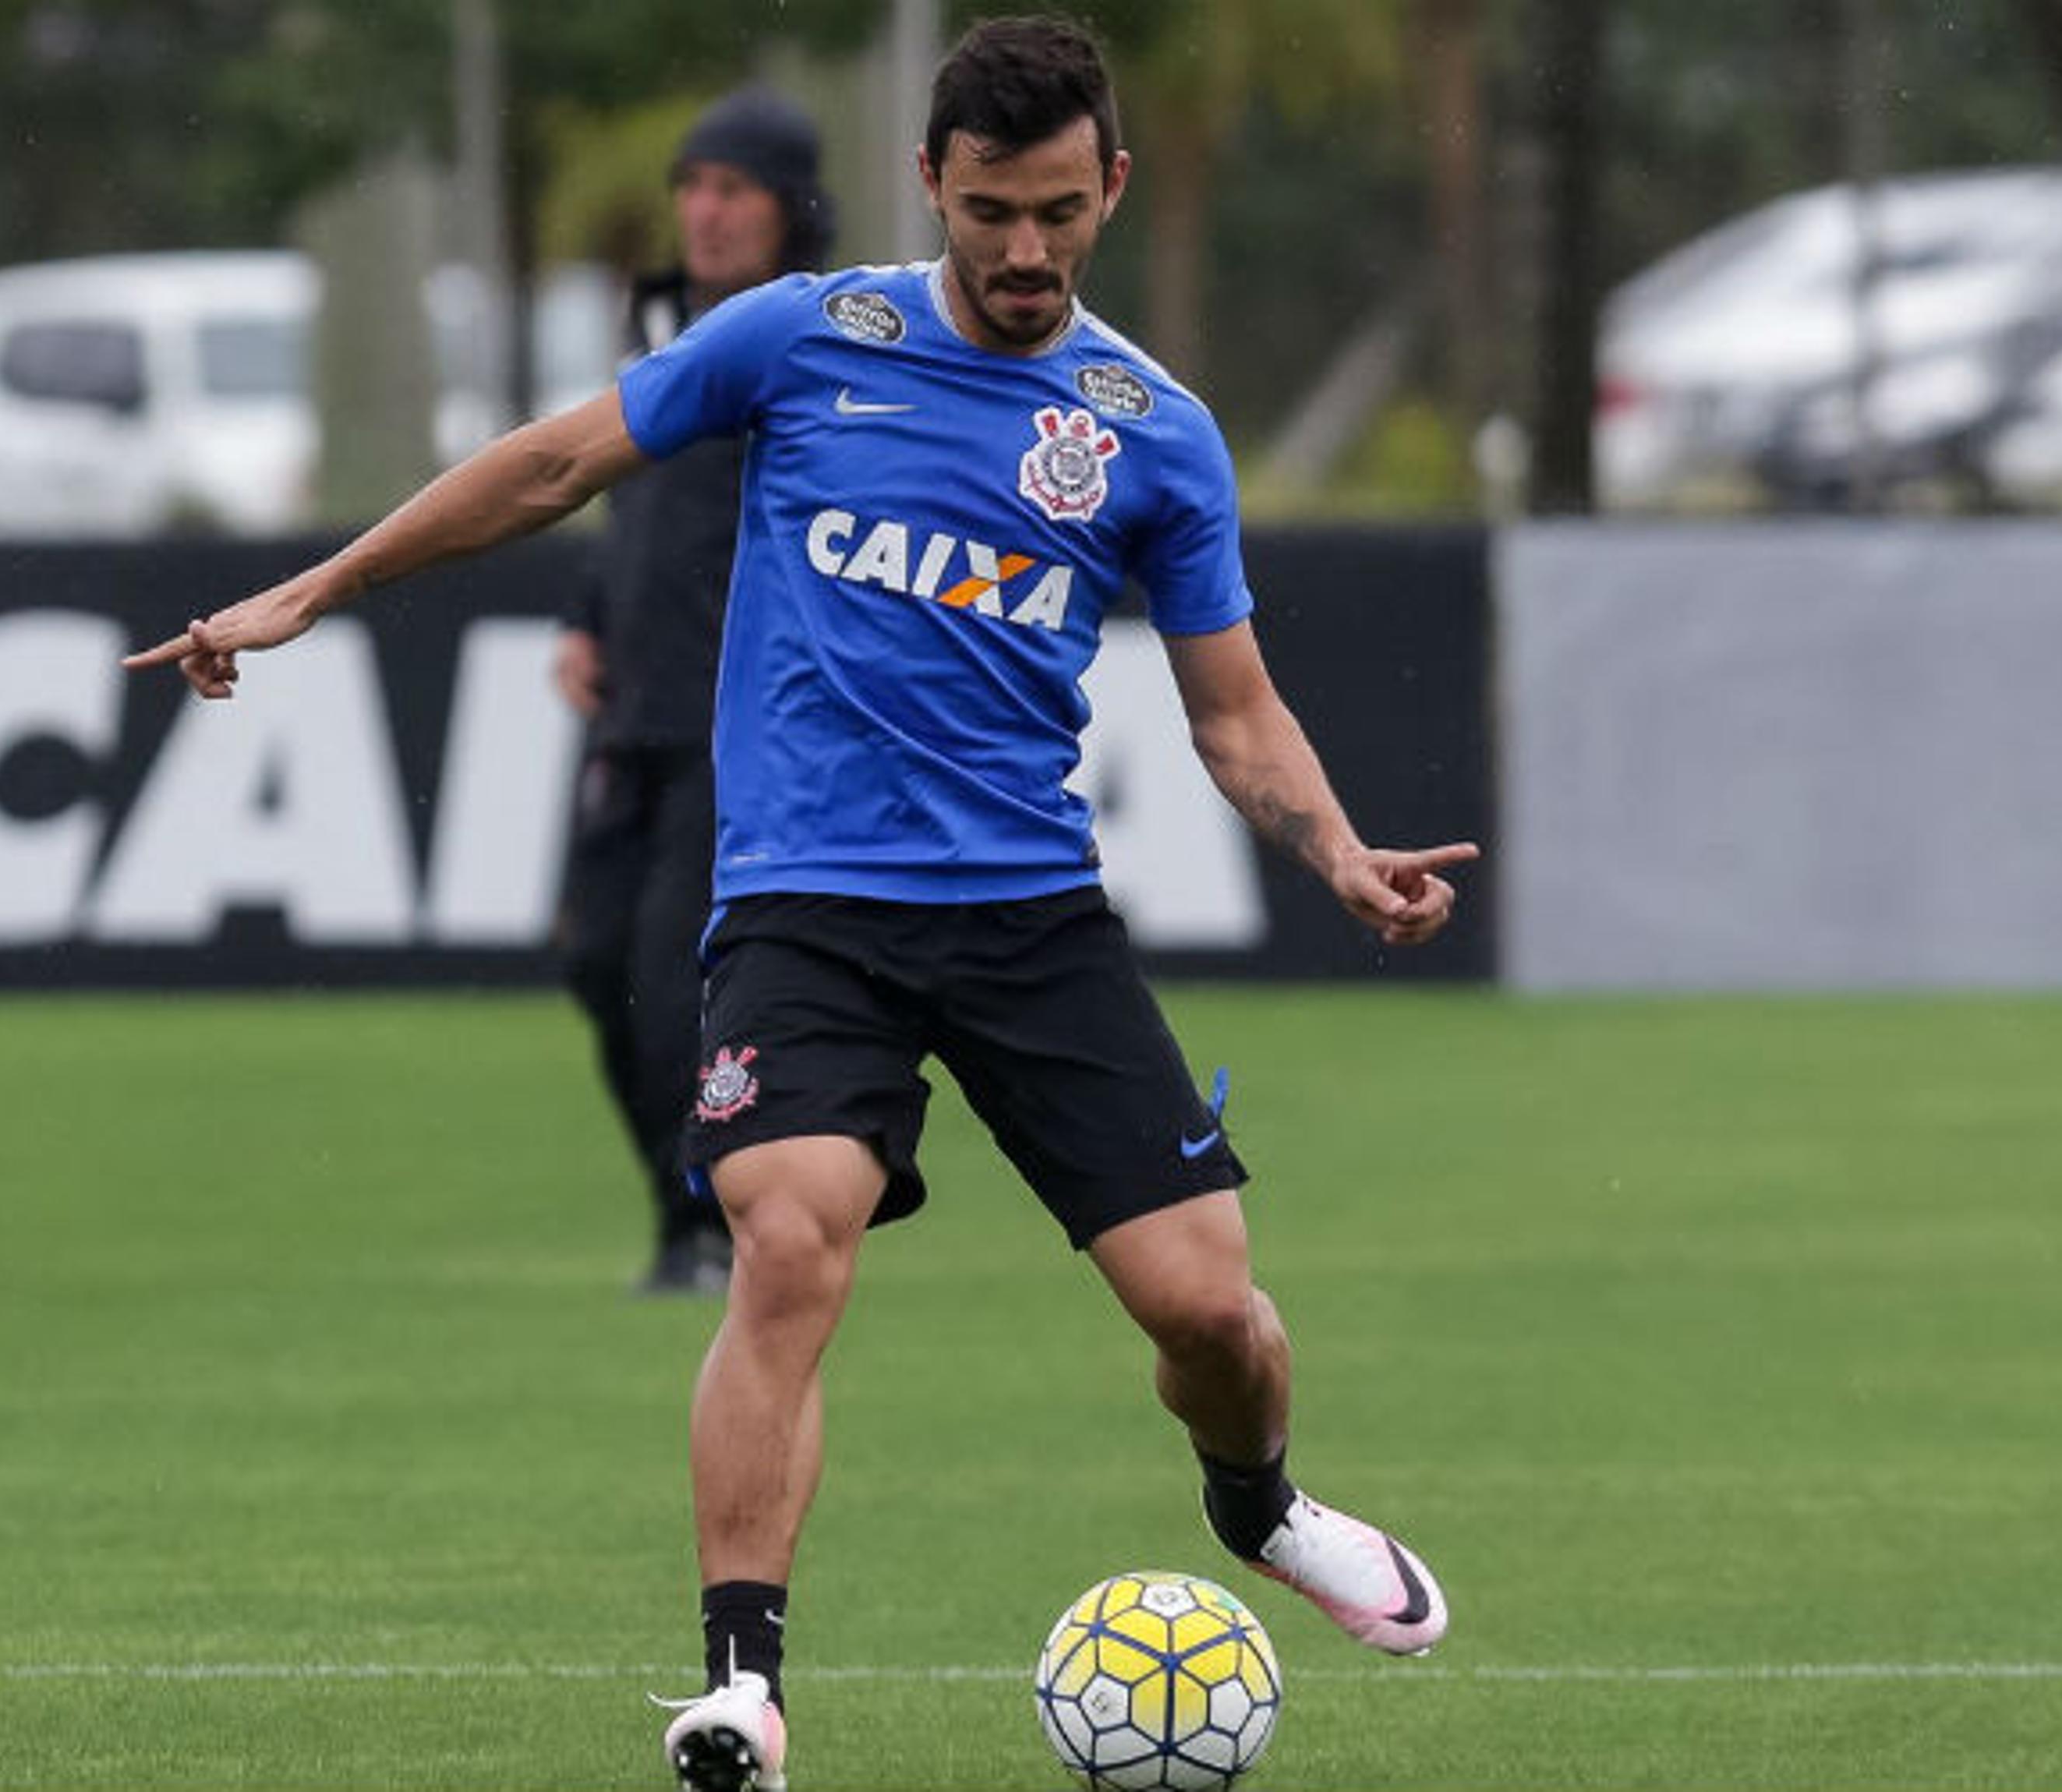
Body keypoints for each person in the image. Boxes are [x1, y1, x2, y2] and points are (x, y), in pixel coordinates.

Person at [127, 18, 1473, 1792]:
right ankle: (742, 1690)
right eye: (991, 208)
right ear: (931, 181)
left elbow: (1230, 711)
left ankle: (1260, 1500)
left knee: (1212, 1315)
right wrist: (320, 587)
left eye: (1061, 211)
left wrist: (1337, 850)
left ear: (1112, 190)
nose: (1023, 250)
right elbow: (549, 464)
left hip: (1028, 916)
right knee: (785, 1237)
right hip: (808, 906)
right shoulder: (801, 336)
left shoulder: (1156, 434)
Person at [555, 88, 835, 1296]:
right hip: (636, 713)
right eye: (694, 187)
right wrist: (589, 621)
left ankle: (712, 1225)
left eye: (735, 190)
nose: (706, 213)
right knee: (593, 965)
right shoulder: (660, 329)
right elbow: (635, 510)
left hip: (742, 729)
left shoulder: (816, 347)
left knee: (675, 987)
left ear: (791, 213)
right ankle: (689, 1216)